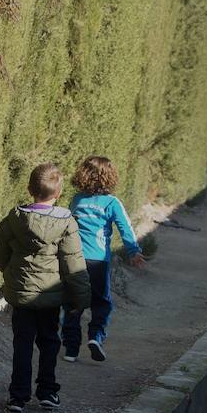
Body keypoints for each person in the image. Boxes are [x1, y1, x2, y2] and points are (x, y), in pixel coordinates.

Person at [0, 163, 89, 413]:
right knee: (49, 341)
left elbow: (0, 256)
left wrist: (12, 275)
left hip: (22, 295)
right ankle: (47, 391)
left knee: (22, 342)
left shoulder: (14, 219)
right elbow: (73, 263)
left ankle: (17, 396)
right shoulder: (67, 223)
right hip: (51, 295)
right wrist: (81, 298)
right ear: (58, 193)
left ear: (29, 188)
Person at [63, 155, 146, 363]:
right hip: (98, 262)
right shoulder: (111, 203)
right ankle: (95, 337)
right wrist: (133, 251)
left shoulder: (76, 200)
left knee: (73, 304)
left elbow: (66, 226)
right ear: (110, 177)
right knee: (102, 303)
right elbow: (125, 228)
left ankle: (71, 349)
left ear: (82, 175)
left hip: (74, 261)